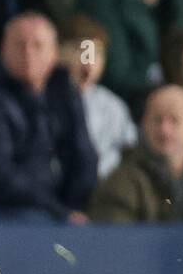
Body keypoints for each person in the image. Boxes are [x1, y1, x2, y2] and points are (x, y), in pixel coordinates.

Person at [0, 13, 97, 221]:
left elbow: (84, 155)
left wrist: (76, 204)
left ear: (54, 53)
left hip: (53, 210)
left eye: (37, 46)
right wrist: (59, 211)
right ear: (3, 49)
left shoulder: (65, 91)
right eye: (20, 45)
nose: (28, 53)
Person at [88, 83, 183, 222]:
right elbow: (114, 238)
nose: (164, 130)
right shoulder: (121, 182)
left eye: (174, 120)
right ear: (144, 124)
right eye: (157, 119)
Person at [58, 14, 137, 179]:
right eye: (81, 50)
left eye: (98, 53)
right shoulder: (40, 99)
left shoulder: (113, 106)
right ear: (58, 51)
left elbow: (130, 153)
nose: (89, 63)